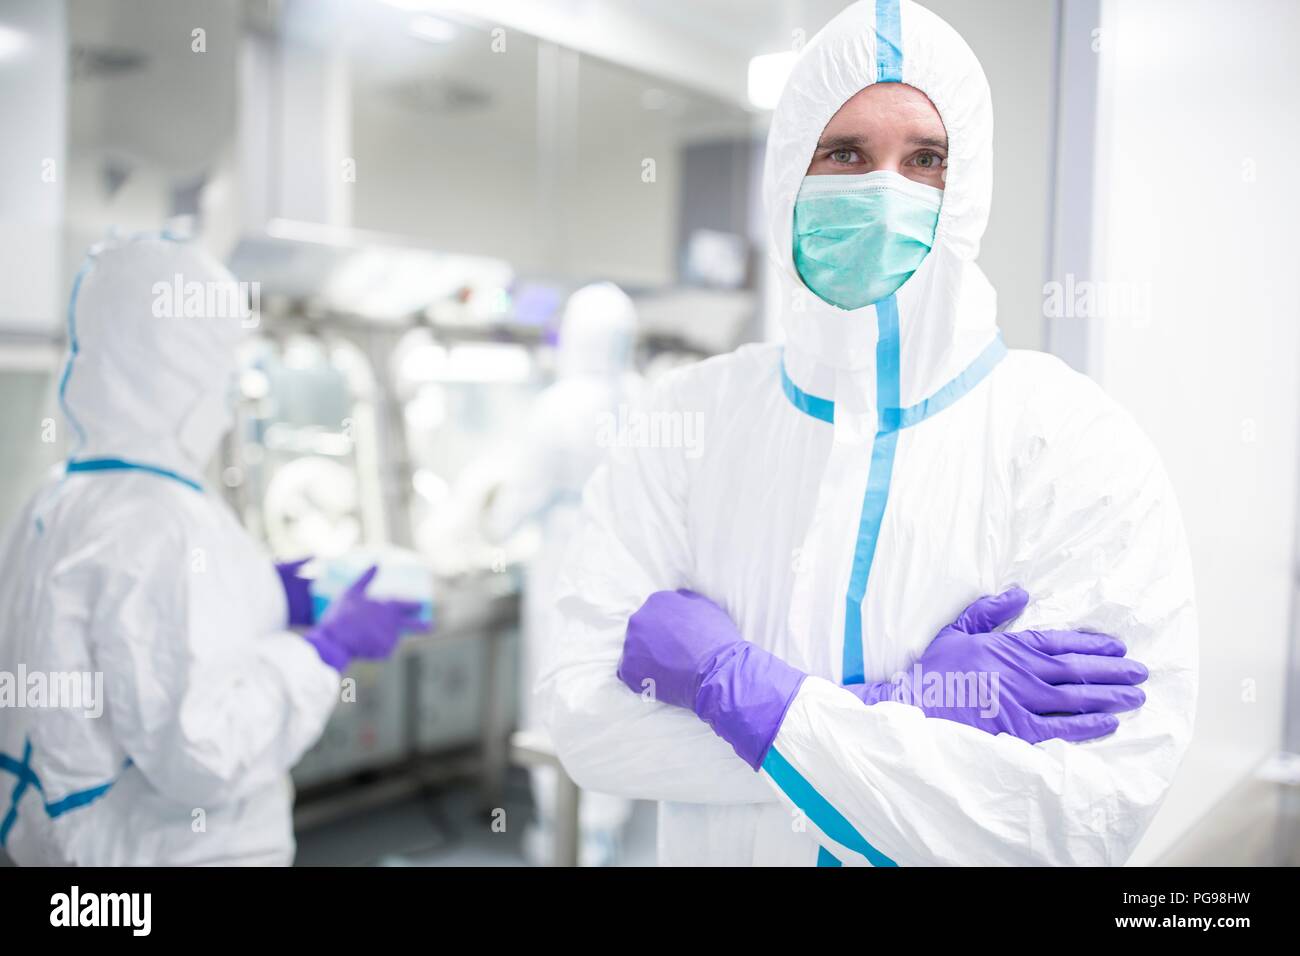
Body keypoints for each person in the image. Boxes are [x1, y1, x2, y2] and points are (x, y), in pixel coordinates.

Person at [538, 0, 1197, 866]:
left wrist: (746, 697)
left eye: (925, 159)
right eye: (845, 153)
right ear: (788, 178)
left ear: (967, 188)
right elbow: (589, 725)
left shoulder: (1073, 445)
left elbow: (1078, 817)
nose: (886, 191)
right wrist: (905, 710)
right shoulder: (687, 422)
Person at [0, 235, 424, 865]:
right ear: (179, 373)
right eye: (223, 370)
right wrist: (325, 648)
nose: (231, 400)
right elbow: (203, 750)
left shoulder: (63, 494)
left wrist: (265, 589)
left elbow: (129, 641)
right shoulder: (161, 522)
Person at [485, 282, 642, 866]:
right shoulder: (645, 397)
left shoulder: (558, 406)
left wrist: (488, 524)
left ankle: (562, 834)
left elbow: (514, 503)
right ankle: (602, 832)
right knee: (614, 696)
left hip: (564, 569)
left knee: (556, 696)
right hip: (628, 575)